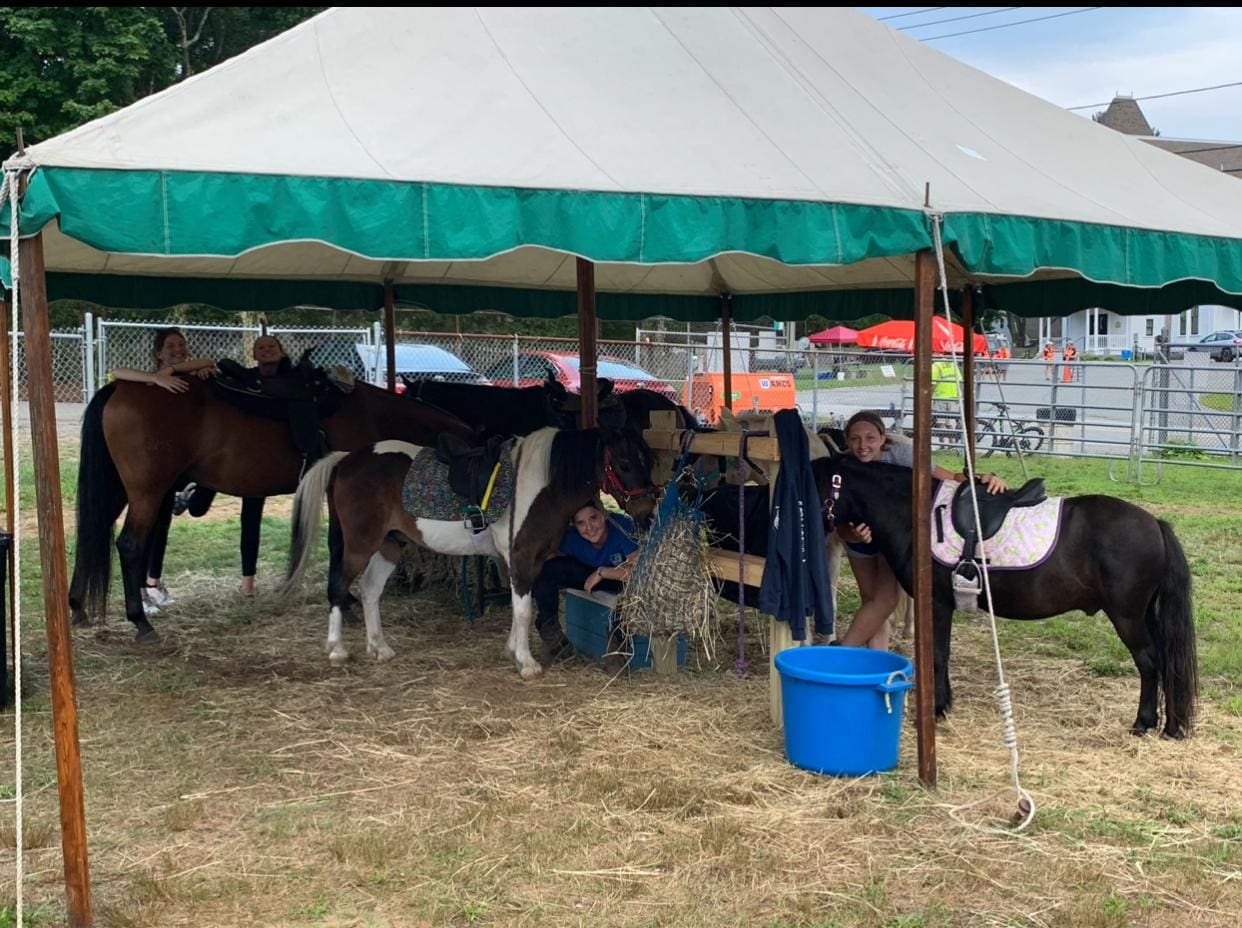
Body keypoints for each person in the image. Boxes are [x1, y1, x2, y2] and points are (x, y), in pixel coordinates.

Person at [834, 411, 1008, 650]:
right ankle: (874, 663)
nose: (863, 445)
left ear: (883, 439)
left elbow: (951, 478)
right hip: (858, 539)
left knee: (885, 600)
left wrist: (985, 478)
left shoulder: (902, 455)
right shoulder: (842, 467)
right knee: (871, 601)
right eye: (855, 439)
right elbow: (836, 520)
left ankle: (843, 653)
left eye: (870, 438)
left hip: (891, 538)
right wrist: (851, 534)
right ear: (847, 441)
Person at [110, 327, 218, 614]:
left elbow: (206, 361)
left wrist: (190, 369)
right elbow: (117, 370)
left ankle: (154, 582)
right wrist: (156, 377)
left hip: (183, 461)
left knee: (163, 525)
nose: (178, 348)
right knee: (150, 522)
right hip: (157, 458)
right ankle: (142, 589)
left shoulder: (195, 371)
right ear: (158, 352)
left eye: (181, 344)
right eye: (170, 345)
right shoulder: (154, 381)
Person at [179, 334, 292, 595]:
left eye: (271, 346)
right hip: (229, 457)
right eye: (260, 347)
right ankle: (189, 497)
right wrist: (206, 370)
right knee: (198, 509)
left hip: (261, 458)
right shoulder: (245, 378)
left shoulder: (294, 380)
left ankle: (248, 583)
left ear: (282, 352)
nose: (266, 350)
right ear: (253, 355)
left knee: (251, 516)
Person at [531, 499, 639, 669]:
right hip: (588, 575)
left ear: (604, 515)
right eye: (581, 523)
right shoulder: (570, 538)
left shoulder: (621, 528)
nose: (589, 527)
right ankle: (552, 634)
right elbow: (545, 556)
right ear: (574, 526)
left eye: (593, 518)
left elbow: (639, 572)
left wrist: (602, 572)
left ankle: (617, 653)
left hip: (620, 578)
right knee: (546, 570)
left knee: (629, 597)